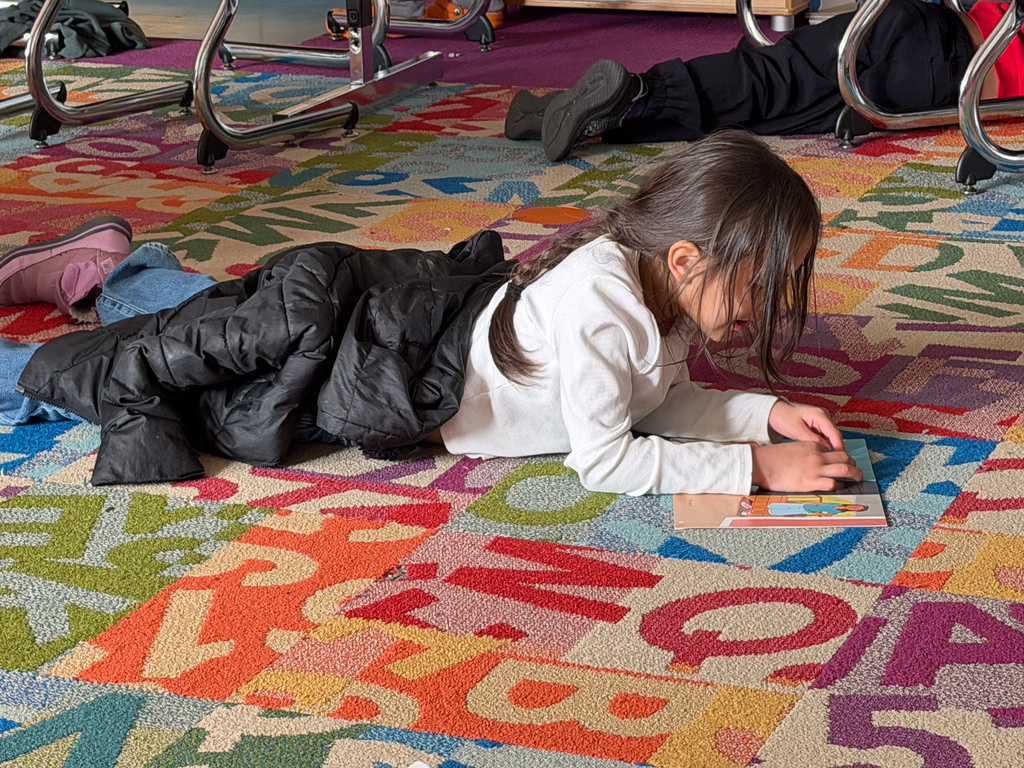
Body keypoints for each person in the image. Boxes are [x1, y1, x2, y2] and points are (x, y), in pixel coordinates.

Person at [0, 130, 862, 495]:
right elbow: (605, 459)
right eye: (757, 286)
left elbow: (648, 406)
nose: (761, 311)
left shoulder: (661, 291)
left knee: (215, 324)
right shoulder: (609, 304)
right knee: (176, 370)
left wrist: (762, 413)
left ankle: (112, 272)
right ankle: (89, 295)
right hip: (389, 363)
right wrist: (751, 469)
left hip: (415, 335)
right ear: (687, 259)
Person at [505, 0, 1012, 161]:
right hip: (951, 78)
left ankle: (632, 95)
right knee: (770, 112)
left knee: (770, 75)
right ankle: (624, 105)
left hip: (914, 20)